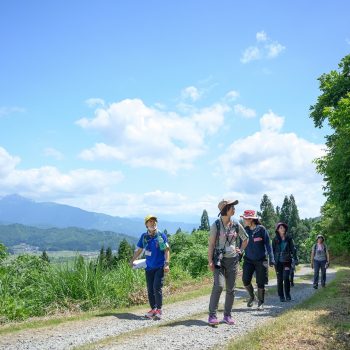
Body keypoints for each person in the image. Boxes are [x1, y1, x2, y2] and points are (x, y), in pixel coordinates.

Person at [207, 199, 249, 326]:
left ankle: (227, 315)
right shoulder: (216, 225)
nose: (234, 209)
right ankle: (212, 316)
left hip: (233, 260)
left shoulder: (236, 224)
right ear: (225, 209)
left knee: (231, 289)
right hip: (218, 260)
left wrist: (240, 250)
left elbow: (246, 239)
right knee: (219, 286)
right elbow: (211, 244)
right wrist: (210, 261)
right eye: (232, 207)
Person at [130, 215, 170, 320]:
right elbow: (139, 250)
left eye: (154, 221)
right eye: (150, 221)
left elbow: (166, 250)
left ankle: (159, 310)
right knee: (150, 289)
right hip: (149, 267)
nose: (153, 223)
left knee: (157, 287)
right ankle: (153, 309)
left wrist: (167, 264)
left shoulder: (160, 235)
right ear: (146, 224)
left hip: (159, 266)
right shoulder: (144, 237)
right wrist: (132, 260)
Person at [241, 210, 275, 310]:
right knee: (245, 280)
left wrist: (271, 258)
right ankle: (252, 296)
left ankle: (261, 302)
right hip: (248, 260)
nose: (243, 220)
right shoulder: (245, 230)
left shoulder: (262, 230)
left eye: (245, 218)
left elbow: (268, 245)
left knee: (261, 281)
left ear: (251, 219)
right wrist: (238, 255)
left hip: (261, 259)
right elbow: (241, 244)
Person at [272, 222, 298, 302]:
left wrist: (295, 258)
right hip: (278, 262)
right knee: (280, 279)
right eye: (280, 228)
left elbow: (293, 249)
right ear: (277, 230)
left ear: (285, 229)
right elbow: (272, 251)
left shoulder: (289, 238)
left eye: (283, 227)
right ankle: (281, 296)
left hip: (287, 261)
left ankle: (287, 294)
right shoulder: (275, 239)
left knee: (286, 277)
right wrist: (271, 260)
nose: (282, 229)